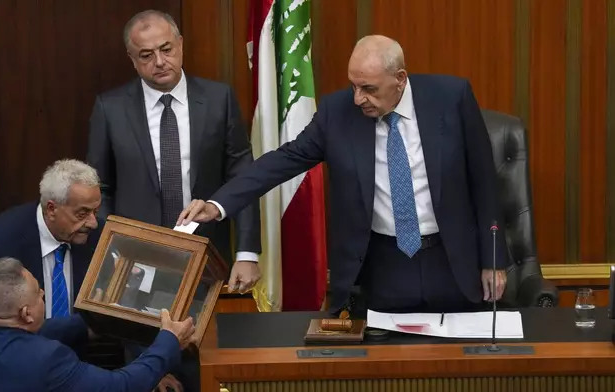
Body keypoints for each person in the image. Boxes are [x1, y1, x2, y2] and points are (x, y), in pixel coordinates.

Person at [178, 35, 509, 316]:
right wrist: (217, 205)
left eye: (368, 88)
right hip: (383, 265)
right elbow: (284, 159)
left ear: (401, 78)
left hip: (451, 260)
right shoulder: (338, 113)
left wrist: (493, 260)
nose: (358, 98)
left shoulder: (451, 98)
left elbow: (483, 180)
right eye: (353, 86)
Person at [86, 11, 262, 391]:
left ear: (181, 45)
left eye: (166, 49)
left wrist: (248, 252)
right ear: (132, 59)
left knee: (209, 373)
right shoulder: (110, 108)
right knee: (148, 375)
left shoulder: (218, 99)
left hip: (207, 262)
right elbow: (98, 187)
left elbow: (243, 180)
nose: (159, 61)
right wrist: (113, 250)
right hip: (135, 268)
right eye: (146, 55)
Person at [0, 257, 196, 391]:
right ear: (26, 314)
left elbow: (30, 335)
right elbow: (120, 387)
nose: (42, 293)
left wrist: (90, 322)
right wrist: (168, 342)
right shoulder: (46, 359)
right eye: (39, 293)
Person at [0, 159, 102, 319]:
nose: (93, 223)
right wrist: (83, 327)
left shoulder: (99, 236)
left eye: (95, 212)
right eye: (82, 214)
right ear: (52, 209)